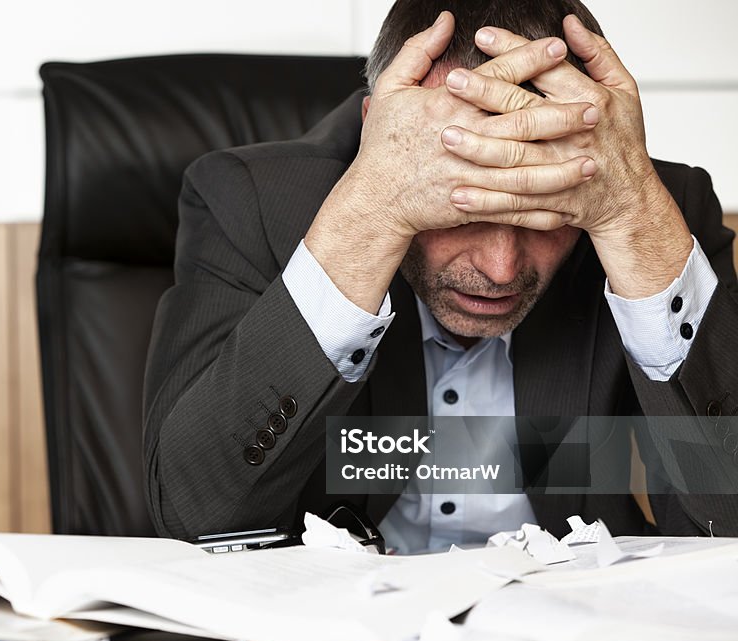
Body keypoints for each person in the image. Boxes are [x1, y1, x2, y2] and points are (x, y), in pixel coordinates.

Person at [142, 0, 738, 550]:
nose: (499, 269)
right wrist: (368, 214)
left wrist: (636, 219)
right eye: (461, 204)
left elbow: (727, 526)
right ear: (379, 139)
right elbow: (192, 514)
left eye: (546, 210)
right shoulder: (251, 202)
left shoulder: (649, 210)